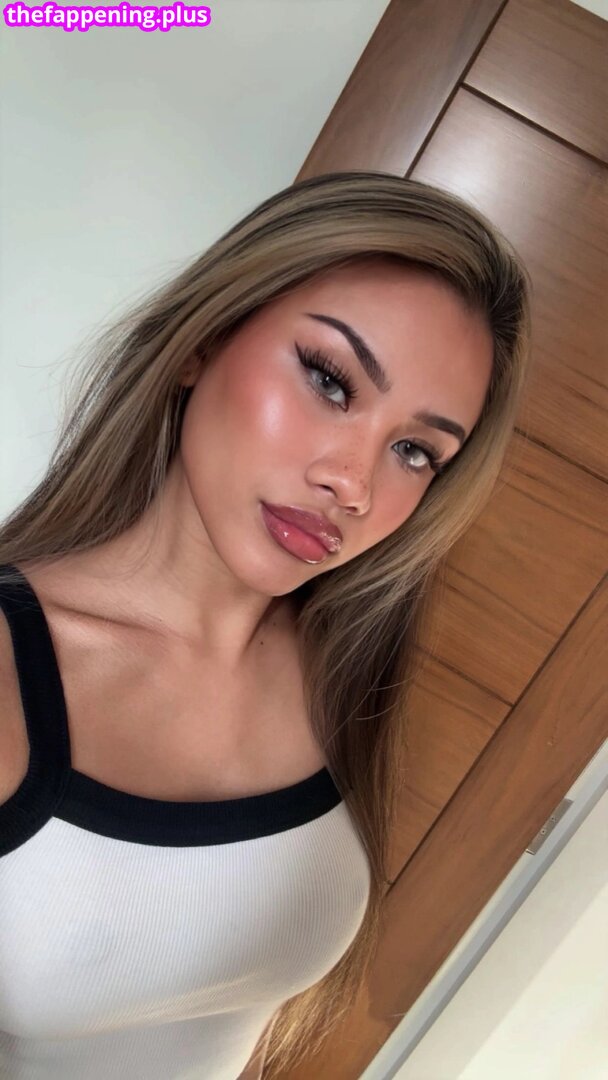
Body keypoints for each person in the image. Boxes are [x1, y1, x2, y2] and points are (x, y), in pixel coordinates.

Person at [0, 172, 532, 1079]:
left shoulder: (340, 671)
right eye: (330, 380)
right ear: (203, 340)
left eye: (415, 451)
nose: (352, 483)